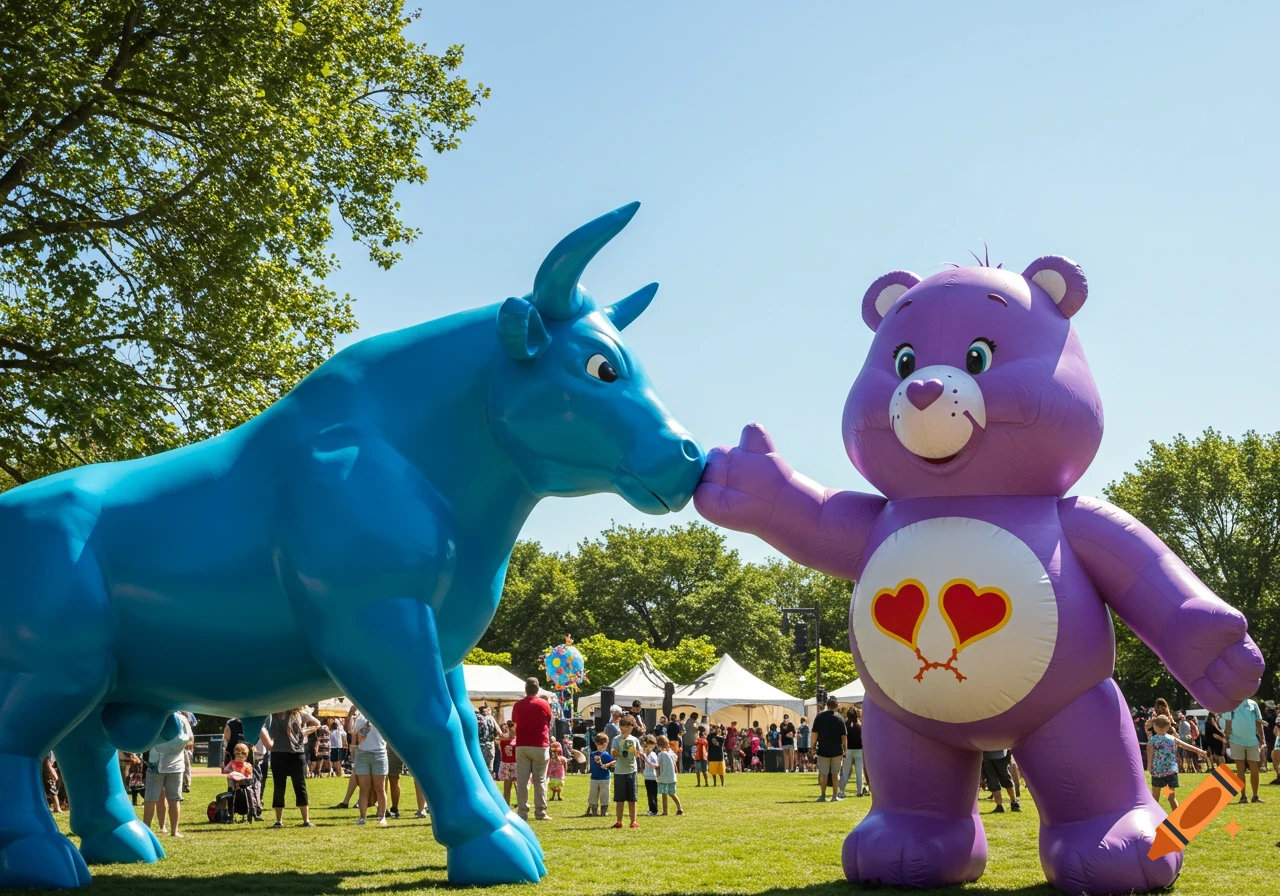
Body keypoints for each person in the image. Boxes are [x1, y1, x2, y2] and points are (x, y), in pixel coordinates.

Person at [267, 707, 319, 828]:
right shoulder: (271, 715)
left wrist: (304, 731)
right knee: (279, 785)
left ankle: (306, 820)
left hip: (297, 753)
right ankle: (278, 821)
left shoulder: (299, 714)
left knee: (300, 784)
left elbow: (317, 723)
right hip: (278, 753)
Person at [143, 711, 191, 837]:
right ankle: (150, 830)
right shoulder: (158, 717)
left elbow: (189, 740)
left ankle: (173, 831)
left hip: (173, 766)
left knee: (172, 799)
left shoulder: (178, 718)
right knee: (153, 799)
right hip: (158, 765)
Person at [512, 676, 554, 822]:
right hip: (540, 744)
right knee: (540, 780)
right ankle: (540, 812)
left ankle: (522, 812)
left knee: (522, 780)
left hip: (522, 744)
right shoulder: (543, 704)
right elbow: (549, 721)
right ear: (537, 689)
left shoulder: (517, 705)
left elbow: (514, 722)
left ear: (526, 689)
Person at [1147, 714, 1207, 811]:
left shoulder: (1153, 740)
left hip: (1158, 771)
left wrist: (1149, 766)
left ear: (1154, 726)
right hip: (1171, 771)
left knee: (1155, 796)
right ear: (1168, 726)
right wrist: (1199, 751)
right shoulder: (1172, 738)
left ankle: (1154, 818)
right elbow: (1186, 746)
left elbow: (1150, 753)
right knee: (1171, 798)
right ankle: (1177, 818)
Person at [347, 705, 388, 825]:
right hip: (362, 754)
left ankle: (382, 816)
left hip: (379, 754)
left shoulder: (381, 716)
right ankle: (362, 817)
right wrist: (352, 714)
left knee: (380, 788)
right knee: (364, 788)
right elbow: (352, 730)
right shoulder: (361, 717)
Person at [1224, 696, 1266, 804]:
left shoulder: (1253, 704)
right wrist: (1226, 738)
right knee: (1240, 770)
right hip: (1236, 740)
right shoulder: (1230, 704)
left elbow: (1258, 722)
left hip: (1252, 741)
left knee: (1254, 769)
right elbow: (1228, 724)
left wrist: (1262, 738)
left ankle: (1255, 796)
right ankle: (1243, 797)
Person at [606, 716, 642, 828]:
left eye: (628, 726)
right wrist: (615, 752)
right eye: (623, 726)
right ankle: (619, 821)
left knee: (632, 798)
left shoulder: (634, 740)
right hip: (619, 771)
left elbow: (639, 753)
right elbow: (613, 752)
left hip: (631, 771)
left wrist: (636, 752)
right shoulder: (616, 739)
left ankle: (633, 821)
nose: (625, 729)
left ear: (632, 727)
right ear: (620, 726)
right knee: (619, 799)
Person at [810, 696, 847, 801]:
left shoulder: (819, 717)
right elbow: (844, 737)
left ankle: (823, 795)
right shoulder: (840, 718)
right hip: (836, 750)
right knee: (835, 774)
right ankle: (834, 796)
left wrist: (812, 747)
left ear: (827, 705)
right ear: (836, 706)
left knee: (823, 773)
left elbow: (814, 734)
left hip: (823, 749)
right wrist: (845, 749)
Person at [387, 743, 427, 819]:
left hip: (412, 743)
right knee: (393, 776)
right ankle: (394, 809)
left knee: (418, 776)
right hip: (394, 744)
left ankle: (422, 809)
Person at [838, 705, 865, 799]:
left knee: (845, 771)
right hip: (859, 750)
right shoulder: (860, 726)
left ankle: (842, 791)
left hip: (848, 750)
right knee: (859, 771)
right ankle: (859, 791)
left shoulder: (845, 725)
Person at [655, 734, 683, 815]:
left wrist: (657, 775)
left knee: (664, 794)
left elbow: (658, 766)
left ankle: (665, 811)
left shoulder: (661, 754)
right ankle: (679, 808)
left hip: (664, 777)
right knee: (672, 793)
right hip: (672, 777)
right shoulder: (671, 753)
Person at [585, 732, 612, 817]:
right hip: (594, 777)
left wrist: (606, 765)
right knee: (593, 794)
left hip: (605, 778)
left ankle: (604, 810)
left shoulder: (606, 754)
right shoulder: (593, 754)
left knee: (605, 795)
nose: (602, 746)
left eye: (603, 744)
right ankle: (593, 810)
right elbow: (591, 764)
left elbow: (613, 762)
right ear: (596, 743)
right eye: (600, 743)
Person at [498, 723, 518, 806]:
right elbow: (500, 736)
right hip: (506, 764)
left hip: (516, 764)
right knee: (507, 786)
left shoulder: (518, 738)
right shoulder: (504, 738)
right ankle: (506, 804)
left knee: (518, 785)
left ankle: (521, 803)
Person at [476, 704, 499, 777]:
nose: (489, 711)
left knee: (479, 764)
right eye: (488, 710)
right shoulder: (490, 718)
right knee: (489, 765)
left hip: (479, 744)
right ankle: (489, 779)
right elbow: (498, 729)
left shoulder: (476, 718)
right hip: (489, 744)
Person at [640, 735, 660, 816]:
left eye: (646, 746)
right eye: (643, 746)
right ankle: (651, 809)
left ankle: (654, 810)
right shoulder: (645, 754)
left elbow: (656, 765)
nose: (644, 748)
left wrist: (646, 760)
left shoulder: (652, 755)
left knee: (652, 794)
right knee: (649, 794)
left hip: (652, 777)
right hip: (647, 777)